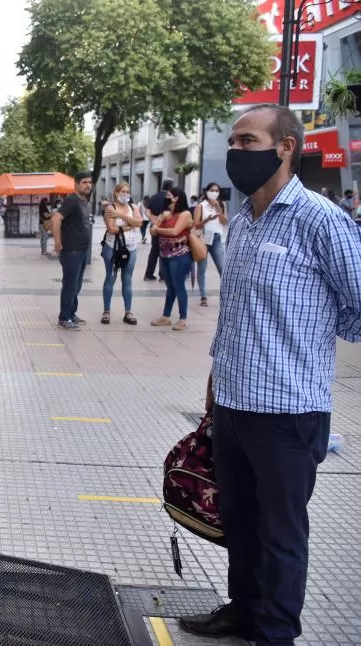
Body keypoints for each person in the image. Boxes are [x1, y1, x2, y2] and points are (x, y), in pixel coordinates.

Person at [181, 104, 361, 646]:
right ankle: (243, 610)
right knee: (239, 522)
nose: (236, 152)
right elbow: (235, 310)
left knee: (281, 533)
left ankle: (275, 632)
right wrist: (216, 382)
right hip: (234, 403)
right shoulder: (246, 221)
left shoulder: (321, 219)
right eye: (233, 143)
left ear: (285, 147)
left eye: (248, 141)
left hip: (289, 411)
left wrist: (305, 344)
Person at [51, 171, 94, 331]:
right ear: (76, 184)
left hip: (81, 251)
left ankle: (71, 313)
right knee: (70, 285)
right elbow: (56, 218)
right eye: (84, 182)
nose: (88, 185)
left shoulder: (83, 201)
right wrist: (57, 242)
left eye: (90, 182)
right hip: (72, 251)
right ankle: (64, 318)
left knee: (76, 285)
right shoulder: (71, 200)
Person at [150, 187, 192, 331]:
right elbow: (152, 230)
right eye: (167, 196)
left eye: (170, 196)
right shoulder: (166, 214)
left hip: (179, 254)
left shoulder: (185, 214)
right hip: (164, 254)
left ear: (177, 198)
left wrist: (158, 229)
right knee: (170, 286)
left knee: (179, 286)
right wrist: (161, 219)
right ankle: (166, 316)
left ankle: (183, 318)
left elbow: (175, 231)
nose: (167, 199)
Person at [101, 183, 143, 325]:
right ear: (116, 193)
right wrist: (131, 224)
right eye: (123, 191)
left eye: (128, 191)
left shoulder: (133, 207)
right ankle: (106, 311)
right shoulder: (110, 208)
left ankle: (128, 312)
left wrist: (121, 216)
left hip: (130, 247)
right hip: (112, 247)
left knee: (127, 279)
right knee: (110, 277)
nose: (126, 194)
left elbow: (139, 223)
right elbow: (112, 229)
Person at [193, 183, 229, 307]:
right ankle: (203, 295)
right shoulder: (201, 206)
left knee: (222, 267)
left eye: (216, 190)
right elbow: (196, 224)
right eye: (212, 190)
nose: (214, 192)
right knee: (202, 267)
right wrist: (207, 219)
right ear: (207, 192)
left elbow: (224, 222)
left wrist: (218, 207)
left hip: (217, 236)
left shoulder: (221, 204)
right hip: (206, 235)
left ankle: (226, 294)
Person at [144, 179, 175, 280]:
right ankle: (163, 274)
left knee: (154, 251)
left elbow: (147, 210)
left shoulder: (154, 196)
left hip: (155, 227)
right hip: (166, 228)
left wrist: (152, 219)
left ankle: (149, 274)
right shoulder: (170, 198)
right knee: (164, 250)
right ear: (171, 187)